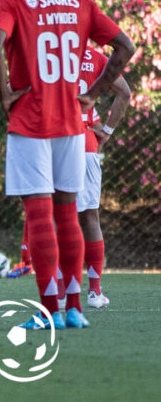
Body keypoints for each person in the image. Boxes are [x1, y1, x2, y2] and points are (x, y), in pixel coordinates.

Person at [0, 0, 134, 330]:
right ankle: (74, 308)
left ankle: (49, 310)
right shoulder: (78, 0)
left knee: (39, 216)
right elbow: (125, 48)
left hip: (31, 121)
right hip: (72, 123)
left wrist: (3, 96)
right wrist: (94, 93)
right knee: (69, 214)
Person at [76, 46, 130, 308]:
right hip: (85, 143)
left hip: (51, 141)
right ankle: (94, 292)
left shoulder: (44, 44)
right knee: (89, 216)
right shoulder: (95, 56)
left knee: (55, 217)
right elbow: (125, 92)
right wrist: (106, 130)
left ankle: (62, 290)